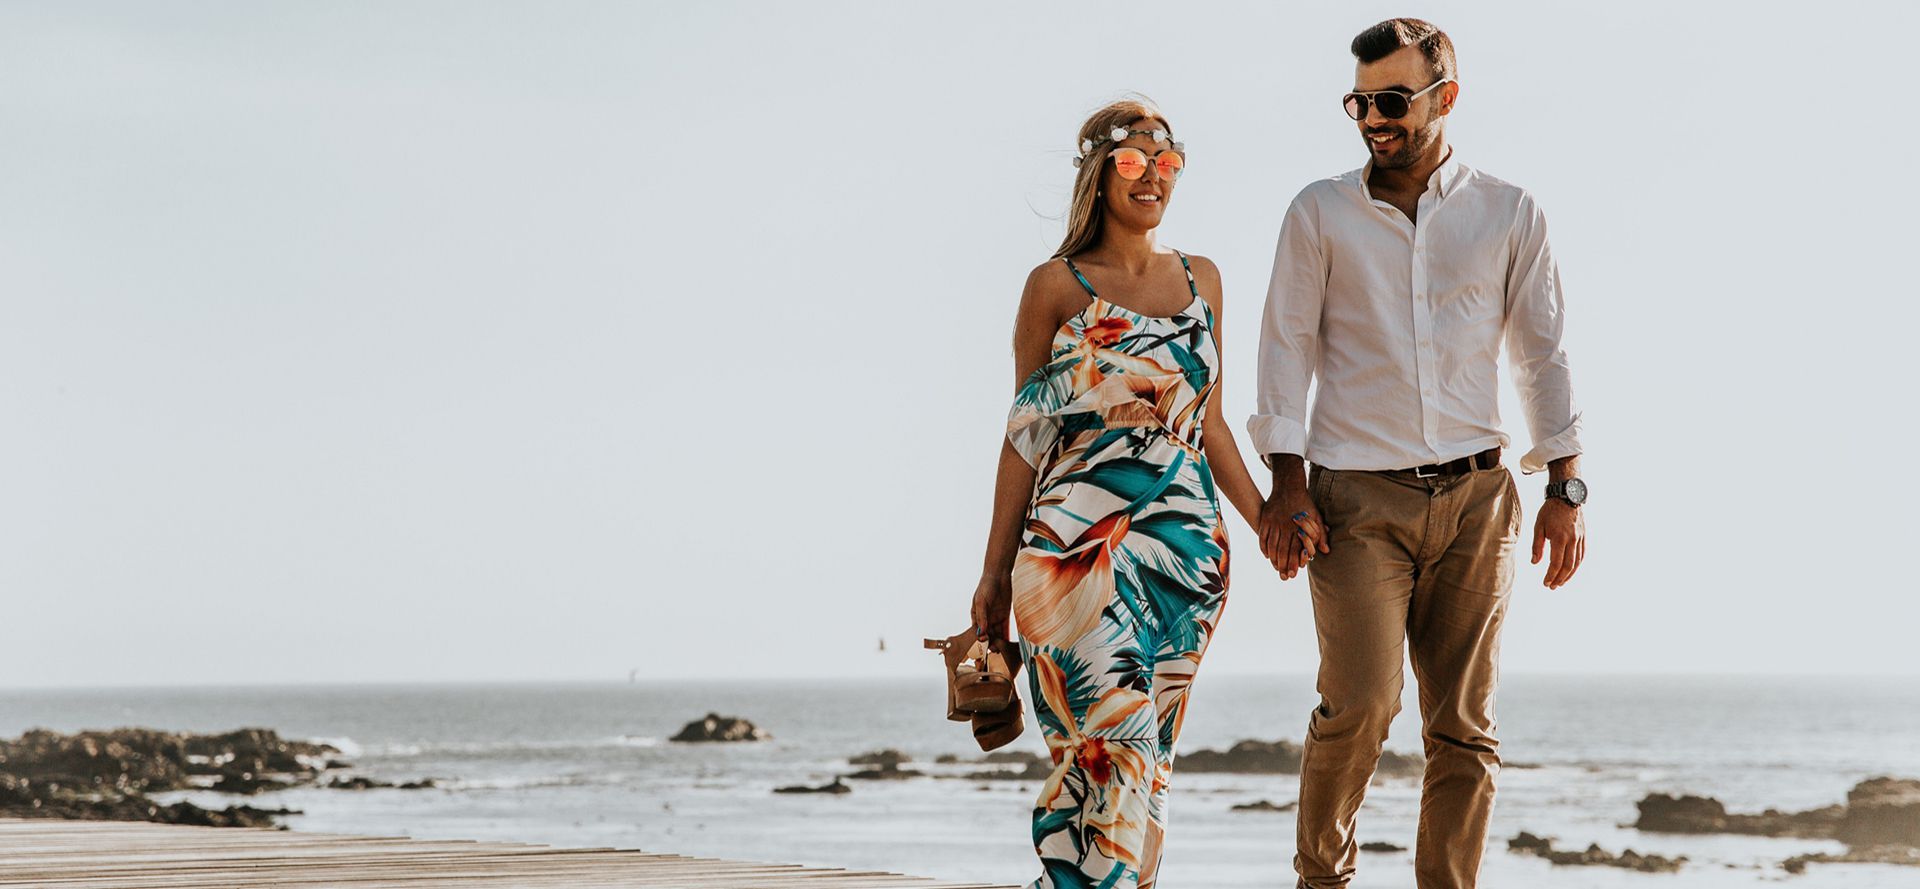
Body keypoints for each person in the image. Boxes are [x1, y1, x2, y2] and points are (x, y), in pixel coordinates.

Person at [1247, 19, 1589, 889]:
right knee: (1360, 706)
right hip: (1354, 503)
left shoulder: (1509, 212)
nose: (1373, 118)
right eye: (1359, 101)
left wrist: (1565, 483)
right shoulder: (1317, 212)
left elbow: (1541, 352)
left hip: (1480, 502)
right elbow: (1286, 348)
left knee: (1466, 727)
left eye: (1392, 101)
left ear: (1446, 97)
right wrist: (1286, 482)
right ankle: (1321, 879)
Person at [970, 96, 1266, 889]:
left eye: (1167, 161)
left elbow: (1208, 420)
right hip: (1074, 557)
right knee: (1110, 747)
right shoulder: (1054, 288)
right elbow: (1023, 436)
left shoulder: (1204, 279)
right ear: (1100, 173)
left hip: (1187, 562)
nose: (1152, 177)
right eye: (1133, 161)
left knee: (1150, 764)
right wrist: (994, 574)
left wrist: (1268, 517)